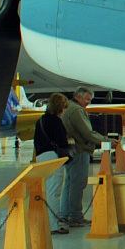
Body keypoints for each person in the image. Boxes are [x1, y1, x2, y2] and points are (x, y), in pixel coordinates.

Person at [60, 86, 105, 227]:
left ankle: (65, 214)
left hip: (71, 151)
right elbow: (87, 133)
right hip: (79, 151)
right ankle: (75, 216)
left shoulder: (69, 108)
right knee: (77, 184)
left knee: (69, 184)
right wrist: (106, 141)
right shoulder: (77, 110)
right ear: (78, 97)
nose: (88, 102)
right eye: (87, 99)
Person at [33, 93, 72, 235]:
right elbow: (62, 141)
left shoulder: (41, 120)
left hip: (41, 157)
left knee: (48, 189)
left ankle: (48, 222)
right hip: (53, 157)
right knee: (54, 191)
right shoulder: (56, 121)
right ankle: (53, 225)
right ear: (60, 107)